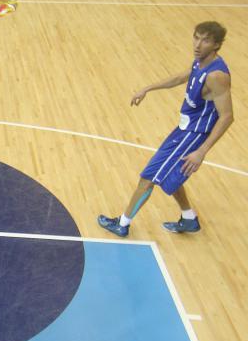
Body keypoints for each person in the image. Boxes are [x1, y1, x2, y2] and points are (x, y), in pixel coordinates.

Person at [98, 21, 234, 237]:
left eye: (205, 40)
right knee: (170, 178)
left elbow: (227, 117)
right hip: (183, 130)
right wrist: (148, 88)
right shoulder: (199, 62)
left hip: (193, 135)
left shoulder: (216, 76)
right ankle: (189, 219)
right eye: (196, 37)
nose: (198, 44)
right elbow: (182, 77)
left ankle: (122, 224)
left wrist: (201, 151)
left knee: (149, 177)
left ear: (217, 45)